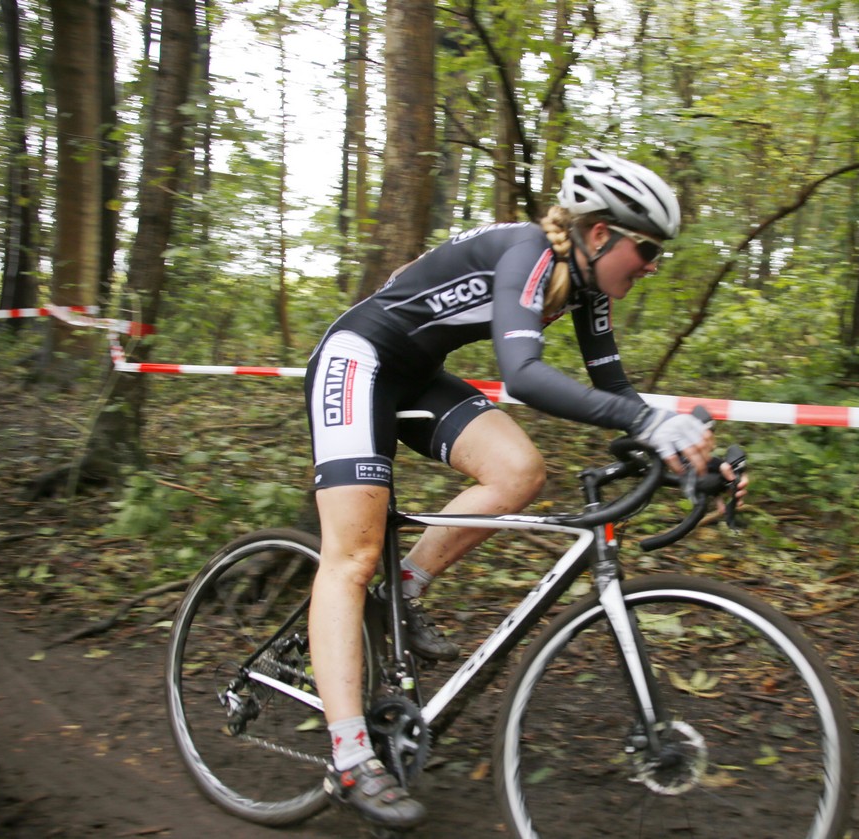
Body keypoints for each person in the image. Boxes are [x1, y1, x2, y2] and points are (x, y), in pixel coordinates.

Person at [303, 150, 744, 827]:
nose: (654, 265)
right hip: (357, 360)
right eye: (649, 249)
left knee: (519, 472)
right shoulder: (530, 252)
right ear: (601, 234)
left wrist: (690, 458)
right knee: (353, 556)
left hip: (415, 375)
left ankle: (404, 589)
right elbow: (524, 375)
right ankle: (349, 755)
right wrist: (648, 423)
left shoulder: (588, 285)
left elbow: (615, 390)